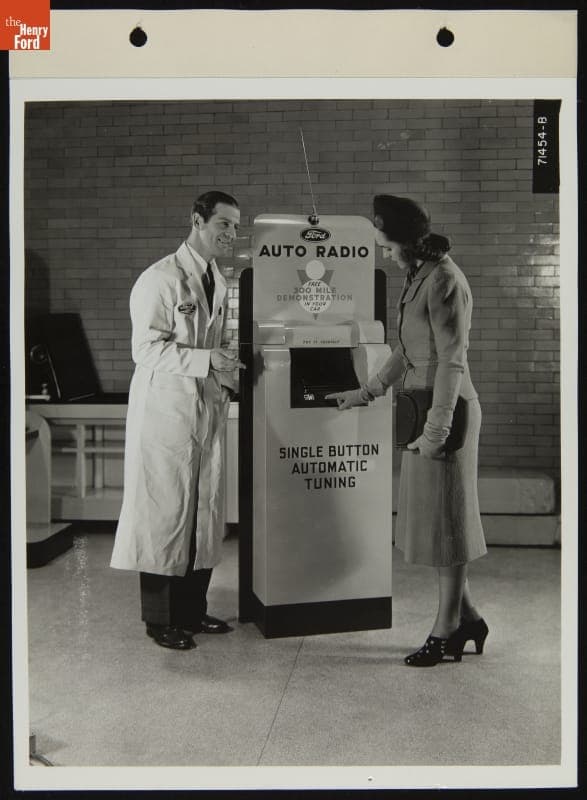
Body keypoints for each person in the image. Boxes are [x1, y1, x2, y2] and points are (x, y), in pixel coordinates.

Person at [327, 194, 489, 667]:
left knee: (450, 524)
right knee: (436, 522)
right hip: (424, 409)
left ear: (406, 242)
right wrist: (366, 391)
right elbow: (408, 349)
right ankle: (470, 617)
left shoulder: (443, 281)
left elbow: (450, 362)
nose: (383, 253)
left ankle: (448, 630)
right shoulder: (417, 275)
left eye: (385, 244)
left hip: (448, 412)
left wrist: (437, 433)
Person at [110, 190, 245, 650]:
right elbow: (144, 348)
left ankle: (193, 610)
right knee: (166, 511)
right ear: (197, 220)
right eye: (223, 224)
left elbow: (212, 343)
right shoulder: (160, 278)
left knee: (203, 509)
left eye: (235, 226)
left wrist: (223, 369)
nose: (231, 233)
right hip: (166, 411)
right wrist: (209, 361)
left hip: (205, 406)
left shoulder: (218, 280)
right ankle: (160, 619)